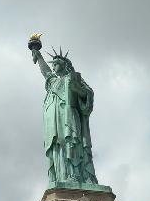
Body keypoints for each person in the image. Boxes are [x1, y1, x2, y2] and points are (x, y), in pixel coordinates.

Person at [30, 45, 99, 186]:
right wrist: (39, 56)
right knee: (57, 146)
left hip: (69, 117)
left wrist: (77, 90)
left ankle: (75, 175)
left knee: (71, 143)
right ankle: (61, 176)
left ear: (63, 65)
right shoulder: (53, 82)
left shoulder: (72, 78)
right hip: (54, 121)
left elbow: (88, 93)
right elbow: (46, 72)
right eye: (53, 64)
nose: (53, 66)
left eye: (55, 64)